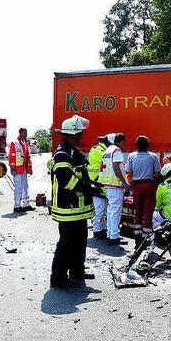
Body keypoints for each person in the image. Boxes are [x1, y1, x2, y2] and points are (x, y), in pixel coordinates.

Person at [49, 115, 95, 288]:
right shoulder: (62, 153)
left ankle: (77, 272)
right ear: (69, 135)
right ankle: (58, 279)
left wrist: (91, 186)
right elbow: (66, 180)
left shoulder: (73, 151)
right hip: (68, 208)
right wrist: (86, 187)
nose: (80, 137)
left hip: (78, 208)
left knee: (80, 241)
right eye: (78, 135)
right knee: (67, 244)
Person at [126, 135, 161, 244]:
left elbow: (128, 173)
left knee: (138, 212)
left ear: (137, 145)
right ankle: (146, 239)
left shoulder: (131, 156)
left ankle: (137, 239)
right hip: (149, 186)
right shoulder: (153, 156)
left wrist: (132, 183)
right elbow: (157, 173)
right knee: (148, 212)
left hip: (137, 186)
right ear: (148, 145)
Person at [98, 133, 129, 245]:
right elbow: (116, 167)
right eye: (124, 142)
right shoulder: (117, 151)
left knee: (110, 211)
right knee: (115, 211)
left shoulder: (107, 150)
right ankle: (114, 236)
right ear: (121, 141)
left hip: (106, 185)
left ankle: (110, 234)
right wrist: (124, 182)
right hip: (115, 185)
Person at [88, 133, 115, 239]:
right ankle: (97, 230)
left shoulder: (101, 149)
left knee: (104, 209)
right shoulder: (98, 151)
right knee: (99, 209)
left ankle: (103, 229)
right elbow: (110, 161)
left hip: (101, 183)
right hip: (96, 183)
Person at [9, 128, 35, 213]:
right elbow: (12, 156)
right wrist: (13, 168)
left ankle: (26, 205)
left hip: (23, 169)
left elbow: (27, 157)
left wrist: (29, 169)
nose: (25, 135)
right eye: (24, 133)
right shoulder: (15, 143)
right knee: (18, 188)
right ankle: (17, 206)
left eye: (26, 133)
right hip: (17, 169)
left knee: (25, 187)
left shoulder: (25, 143)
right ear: (20, 133)